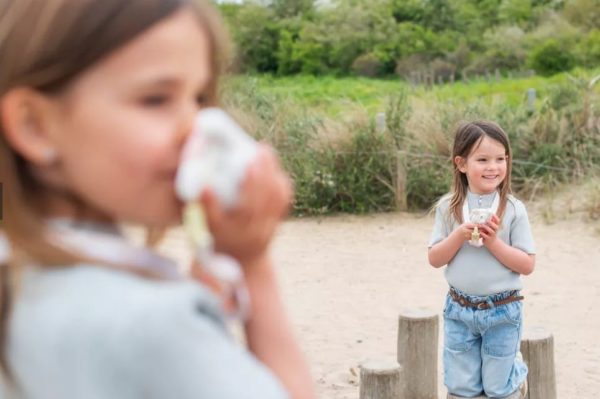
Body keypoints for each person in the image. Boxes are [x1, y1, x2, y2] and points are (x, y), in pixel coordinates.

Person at [0, 1, 315, 398]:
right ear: (34, 126)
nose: (196, 129)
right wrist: (253, 266)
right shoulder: (156, 322)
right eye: (156, 99)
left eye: (199, 98)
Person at [428, 120, 535, 399]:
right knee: (462, 387)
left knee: (498, 388)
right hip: (459, 308)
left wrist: (493, 241)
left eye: (500, 159)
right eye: (483, 159)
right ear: (461, 164)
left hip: (503, 309)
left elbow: (527, 264)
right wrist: (459, 235)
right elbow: (434, 258)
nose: (493, 167)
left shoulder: (513, 209)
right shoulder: (448, 207)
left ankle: (516, 376)